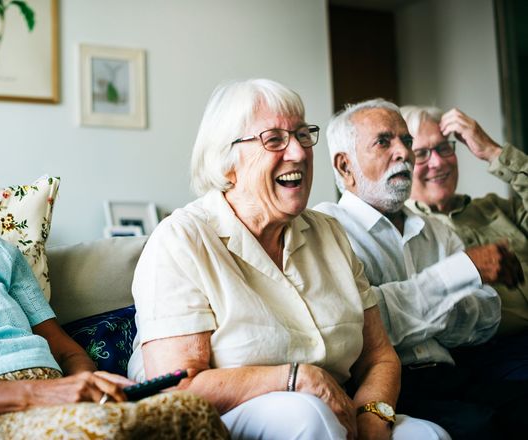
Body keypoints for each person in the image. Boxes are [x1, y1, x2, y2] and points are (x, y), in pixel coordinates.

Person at [127, 79, 448, 440]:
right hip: (230, 420)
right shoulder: (182, 239)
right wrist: (295, 378)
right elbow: (176, 388)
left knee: (428, 435)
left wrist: (373, 414)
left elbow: (379, 357)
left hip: (337, 411)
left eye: (302, 135)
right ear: (227, 161)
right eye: (275, 140)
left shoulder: (329, 233)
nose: (298, 152)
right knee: (306, 414)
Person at [0, 133, 228, 439]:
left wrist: (87, 388)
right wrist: (39, 395)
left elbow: (67, 352)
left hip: (60, 397)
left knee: (191, 410)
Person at [314, 98, 527, 439]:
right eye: (384, 142)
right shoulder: (327, 228)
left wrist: (415, 306)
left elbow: (485, 317)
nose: (404, 152)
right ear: (345, 166)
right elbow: (364, 326)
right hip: (388, 388)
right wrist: (460, 275)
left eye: (406, 140)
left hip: (453, 372)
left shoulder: (436, 230)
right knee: (478, 427)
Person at [400, 106, 528, 379]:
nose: (438, 163)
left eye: (444, 148)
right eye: (421, 154)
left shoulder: (494, 208)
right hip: (490, 358)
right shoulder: (405, 230)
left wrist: (494, 152)